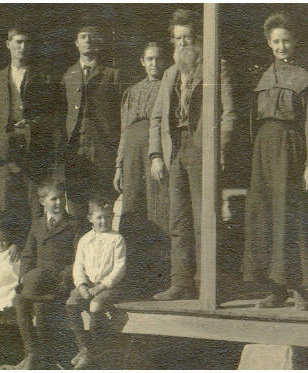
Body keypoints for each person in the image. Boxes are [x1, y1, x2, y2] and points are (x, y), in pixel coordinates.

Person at [150, 9, 237, 300]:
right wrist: (155, 155)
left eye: (187, 37)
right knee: (178, 221)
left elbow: (229, 113)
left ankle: (206, 282)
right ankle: (181, 282)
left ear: (198, 38)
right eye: (177, 39)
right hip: (175, 150)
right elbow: (157, 118)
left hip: (203, 150)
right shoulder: (169, 74)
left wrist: (220, 150)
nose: (183, 44)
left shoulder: (215, 66)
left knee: (205, 218)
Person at [242, 13, 308, 310]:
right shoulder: (262, 78)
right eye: (276, 41)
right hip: (264, 151)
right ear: (269, 44)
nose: (282, 46)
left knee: (290, 215)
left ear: (295, 41)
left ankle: (299, 287)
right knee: (265, 214)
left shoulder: (305, 79)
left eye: (286, 40)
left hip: (291, 150)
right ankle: (275, 288)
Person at [0, 26, 61, 246]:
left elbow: (54, 117)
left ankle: (35, 257)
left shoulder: (43, 77)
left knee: (36, 207)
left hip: (34, 156)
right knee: (8, 208)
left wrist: (34, 123)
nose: (22, 47)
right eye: (18, 42)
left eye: (26, 42)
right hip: (6, 157)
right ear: (8, 44)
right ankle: (11, 258)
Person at [113, 42, 169, 295]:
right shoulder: (132, 91)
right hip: (132, 152)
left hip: (156, 148)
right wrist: (119, 165)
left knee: (157, 209)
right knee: (133, 208)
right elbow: (124, 130)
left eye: (158, 59)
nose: (154, 64)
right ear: (142, 62)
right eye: (149, 59)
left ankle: (158, 278)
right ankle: (131, 277)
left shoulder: (169, 86)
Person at [13, 179, 83, 369]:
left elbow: (78, 259)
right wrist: (23, 276)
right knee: (19, 302)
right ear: (42, 201)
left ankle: (38, 358)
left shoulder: (74, 225)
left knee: (41, 307)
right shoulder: (37, 225)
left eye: (62, 198)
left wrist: (64, 277)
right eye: (54, 199)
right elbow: (28, 255)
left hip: (59, 280)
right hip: (36, 279)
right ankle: (33, 353)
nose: (59, 203)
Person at [61, 25, 123, 218]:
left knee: (103, 204)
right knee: (77, 208)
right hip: (76, 152)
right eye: (83, 37)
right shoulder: (68, 75)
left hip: (103, 150)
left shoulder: (112, 74)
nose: (87, 40)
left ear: (99, 44)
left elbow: (121, 115)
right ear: (76, 44)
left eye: (92, 37)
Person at [66, 195, 126, 369]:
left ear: (112, 217)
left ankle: (91, 353)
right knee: (71, 302)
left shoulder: (117, 239)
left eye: (107, 217)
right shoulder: (85, 240)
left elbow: (119, 268)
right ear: (90, 219)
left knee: (95, 305)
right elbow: (78, 266)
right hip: (89, 285)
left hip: (110, 285)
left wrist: (102, 286)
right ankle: (85, 348)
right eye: (99, 217)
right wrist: (81, 284)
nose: (103, 221)